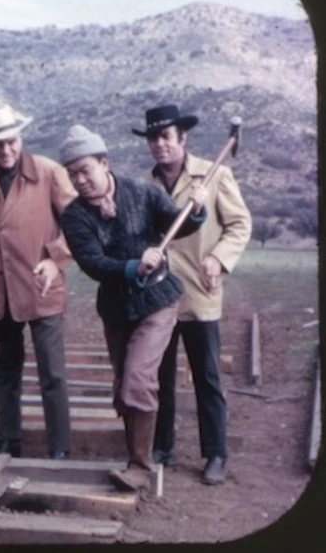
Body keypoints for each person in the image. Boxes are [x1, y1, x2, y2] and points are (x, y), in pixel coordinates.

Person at [58, 124, 207, 491]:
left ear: (104, 163)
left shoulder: (142, 192)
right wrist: (131, 266)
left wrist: (197, 210)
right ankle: (135, 458)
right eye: (72, 174)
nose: (80, 180)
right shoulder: (74, 216)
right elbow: (92, 263)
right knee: (124, 385)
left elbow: (176, 224)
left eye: (85, 171)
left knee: (138, 380)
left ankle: (141, 466)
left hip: (158, 301)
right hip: (116, 308)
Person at [134, 104, 252, 485]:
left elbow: (239, 224)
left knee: (208, 377)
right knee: (160, 376)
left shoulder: (214, 175)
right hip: (158, 296)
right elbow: (140, 235)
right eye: (153, 138)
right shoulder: (143, 186)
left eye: (166, 137)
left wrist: (218, 259)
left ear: (182, 139)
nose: (159, 145)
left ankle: (215, 453)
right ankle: (161, 446)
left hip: (200, 293)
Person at [0, 105, 75, 460]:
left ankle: (60, 446)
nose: (5, 151)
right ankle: (8, 438)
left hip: (41, 289)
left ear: (21, 139)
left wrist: (55, 260)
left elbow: (80, 226)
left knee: (52, 371)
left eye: (12, 142)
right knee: (5, 368)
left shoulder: (50, 173)